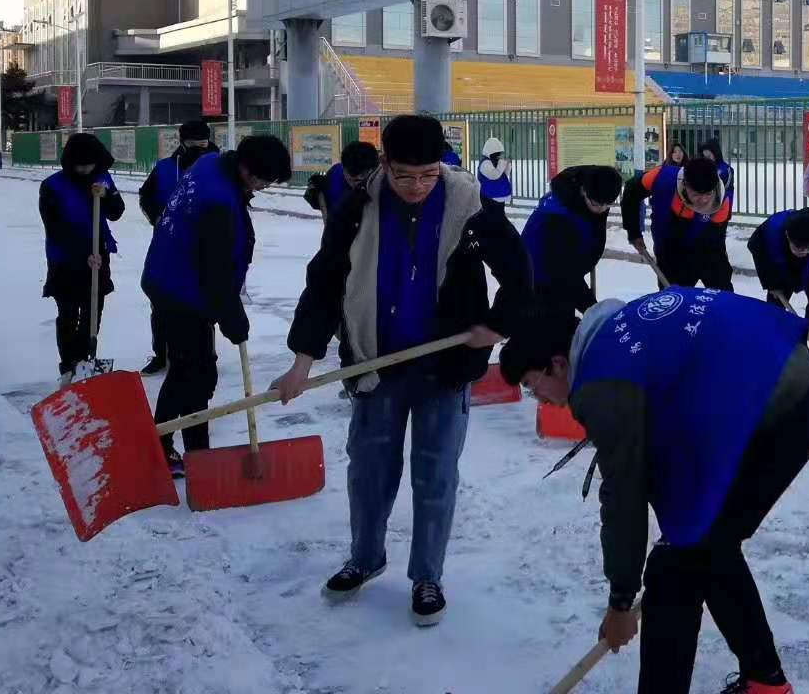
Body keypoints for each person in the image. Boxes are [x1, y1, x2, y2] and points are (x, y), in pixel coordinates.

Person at [499, 290, 809, 694]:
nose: (542, 401)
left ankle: (761, 681)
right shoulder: (613, 337)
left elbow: (624, 493)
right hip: (784, 390)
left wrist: (621, 601)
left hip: (778, 411)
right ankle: (765, 682)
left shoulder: (602, 380)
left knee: (677, 565)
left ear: (557, 363)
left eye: (533, 387)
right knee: (706, 547)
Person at [271, 115, 529, 625]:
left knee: (435, 474)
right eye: (405, 175)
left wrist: (498, 326)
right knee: (369, 471)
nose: (417, 186)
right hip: (377, 362)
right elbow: (324, 283)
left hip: (445, 364)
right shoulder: (358, 208)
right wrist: (302, 361)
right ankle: (365, 557)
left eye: (428, 174)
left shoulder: (470, 206)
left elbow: (519, 271)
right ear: (385, 164)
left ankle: (427, 575)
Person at [142, 134, 291, 474]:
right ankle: (194, 457)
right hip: (181, 291)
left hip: (168, 278)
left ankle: (164, 446)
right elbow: (216, 273)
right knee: (194, 377)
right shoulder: (218, 203)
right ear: (248, 171)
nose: (264, 188)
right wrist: (232, 318)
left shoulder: (211, 163)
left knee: (188, 371)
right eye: (265, 182)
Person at [40, 133, 125, 385]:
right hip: (65, 259)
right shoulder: (52, 186)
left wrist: (107, 196)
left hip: (98, 254)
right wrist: (83, 253)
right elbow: (55, 228)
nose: (86, 170)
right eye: (81, 166)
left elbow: (116, 212)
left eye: (91, 165)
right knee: (68, 314)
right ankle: (69, 365)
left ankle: (84, 361)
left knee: (92, 312)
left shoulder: (102, 178)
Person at [136, 121, 221, 374]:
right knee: (162, 300)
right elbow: (146, 196)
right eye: (192, 144)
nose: (198, 149)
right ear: (182, 142)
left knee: (202, 302)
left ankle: (206, 352)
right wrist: (157, 217)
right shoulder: (165, 168)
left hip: (204, 248)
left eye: (202, 144)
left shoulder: (220, 167)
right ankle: (161, 354)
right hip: (168, 247)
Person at [521, 163, 625, 315]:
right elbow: (565, 274)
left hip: (561, 277)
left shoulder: (590, 195)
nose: (601, 210)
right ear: (583, 191)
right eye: (596, 204)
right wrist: (594, 312)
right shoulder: (559, 218)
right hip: (539, 282)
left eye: (607, 205)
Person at [747, 207, 809, 371]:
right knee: (774, 312)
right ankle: (772, 360)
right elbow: (756, 247)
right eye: (799, 248)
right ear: (787, 236)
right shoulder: (773, 230)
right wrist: (771, 282)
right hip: (782, 267)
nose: (804, 253)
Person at [621, 156, 734, 290]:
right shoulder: (661, 178)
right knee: (674, 296)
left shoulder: (722, 200)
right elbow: (631, 192)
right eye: (696, 195)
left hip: (706, 243)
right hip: (669, 245)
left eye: (708, 194)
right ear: (685, 185)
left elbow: (716, 242)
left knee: (721, 289)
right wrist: (633, 232)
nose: (703, 200)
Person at [304, 141, 379, 222]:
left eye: (362, 176)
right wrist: (315, 193)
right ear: (343, 168)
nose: (355, 183)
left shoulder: (382, 182)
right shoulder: (334, 177)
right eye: (351, 178)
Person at [476, 136, 512, 208]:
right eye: (497, 153)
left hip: (500, 195)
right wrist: (501, 164)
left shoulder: (496, 161)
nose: (499, 155)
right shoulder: (485, 163)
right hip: (489, 196)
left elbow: (504, 175)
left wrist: (507, 165)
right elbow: (494, 175)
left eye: (500, 153)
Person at [697, 137, 734, 204]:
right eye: (704, 157)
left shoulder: (726, 170)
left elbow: (728, 193)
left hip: (720, 206)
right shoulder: (701, 168)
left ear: (715, 153)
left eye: (709, 156)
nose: (706, 159)